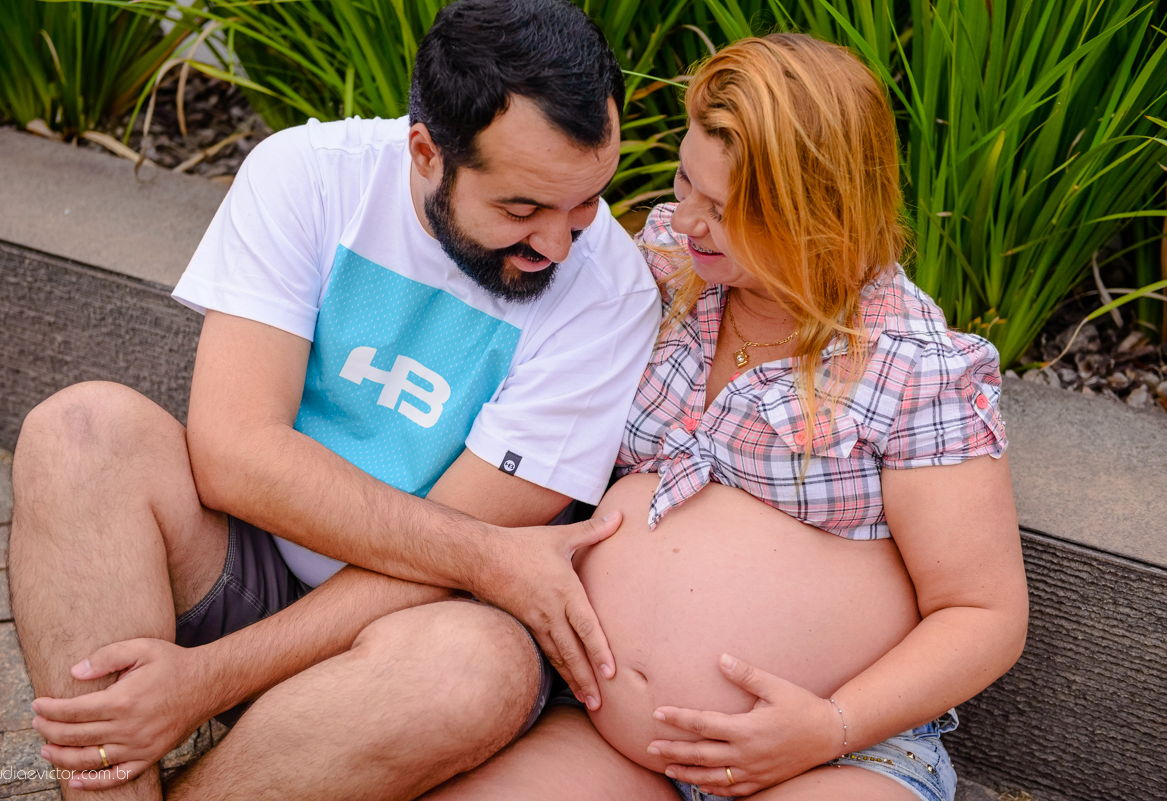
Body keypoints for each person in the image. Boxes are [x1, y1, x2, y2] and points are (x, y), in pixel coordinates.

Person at [6, 1, 660, 799]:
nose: (557, 244)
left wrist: (202, 680)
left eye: (587, 203)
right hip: (249, 571)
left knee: (467, 670)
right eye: (521, 208)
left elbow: (453, 565)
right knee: (79, 431)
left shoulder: (613, 293)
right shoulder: (309, 173)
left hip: (412, 630)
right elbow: (231, 454)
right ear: (426, 151)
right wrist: (485, 553)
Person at [420, 33, 1029, 801]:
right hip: (611, 735)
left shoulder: (911, 365)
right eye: (686, 183)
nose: (689, 220)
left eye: (728, 209)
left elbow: (984, 611)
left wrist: (834, 723)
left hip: (837, 755)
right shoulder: (666, 268)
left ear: (821, 211)